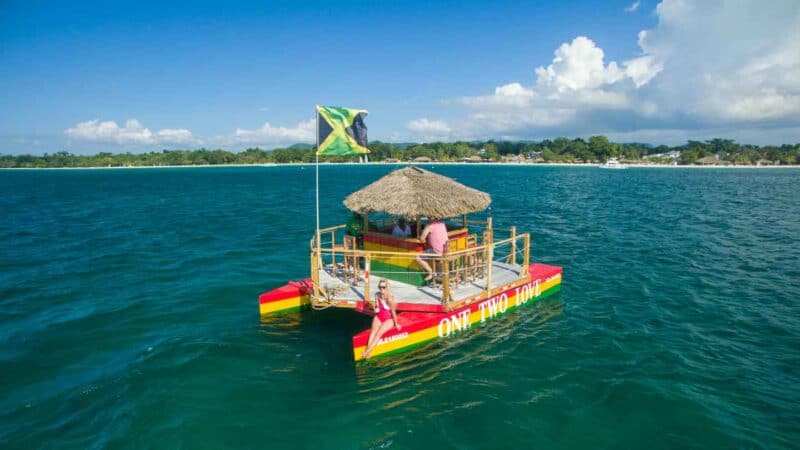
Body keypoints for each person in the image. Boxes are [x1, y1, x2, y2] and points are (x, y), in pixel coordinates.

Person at [363, 279, 402, 359]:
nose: (381, 289)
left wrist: (396, 323)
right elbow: (377, 307)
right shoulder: (377, 295)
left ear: (387, 287)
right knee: (373, 332)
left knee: (378, 334)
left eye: (383, 287)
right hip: (379, 316)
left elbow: (393, 312)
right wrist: (375, 308)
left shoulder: (389, 299)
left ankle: (367, 352)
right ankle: (368, 352)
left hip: (389, 319)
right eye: (380, 287)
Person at [415, 217, 448, 282]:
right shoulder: (442, 223)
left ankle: (431, 273)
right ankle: (440, 274)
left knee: (418, 257)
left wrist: (421, 237)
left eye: (429, 217)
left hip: (437, 251)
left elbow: (422, 238)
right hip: (446, 249)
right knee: (435, 256)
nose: (427, 218)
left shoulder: (429, 226)